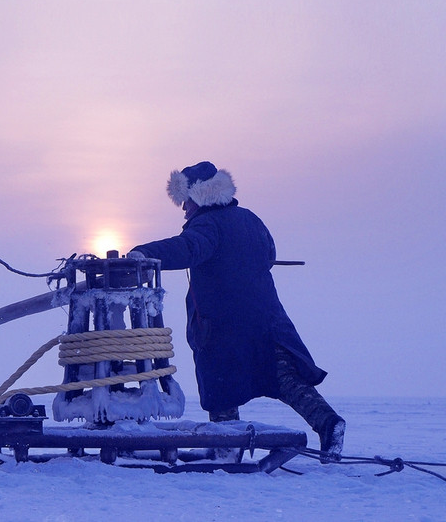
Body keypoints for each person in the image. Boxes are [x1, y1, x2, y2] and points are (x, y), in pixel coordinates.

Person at [128, 161, 345, 460]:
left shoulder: (207, 225)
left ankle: (226, 449)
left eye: (186, 201)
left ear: (200, 196)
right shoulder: (251, 219)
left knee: (221, 390)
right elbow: (269, 254)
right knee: (287, 381)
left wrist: (145, 254)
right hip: (267, 322)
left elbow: (188, 248)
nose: (184, 209)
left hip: (223, 330)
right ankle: (329, 424)